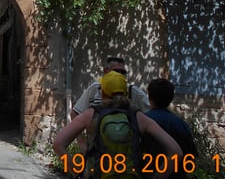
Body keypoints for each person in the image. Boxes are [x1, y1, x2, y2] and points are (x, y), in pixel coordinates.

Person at [54, 71, 182, 179]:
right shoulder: (138, 117)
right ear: (126, 93)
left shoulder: (91, 115)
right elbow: (176, 152)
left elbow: (58, 144)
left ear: (102, 92)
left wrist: (76, 172)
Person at [71, 57, 150, 152]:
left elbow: (152, 113)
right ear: (106, 71)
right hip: (96, 152)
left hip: (127, 153)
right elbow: (75, 113)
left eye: (122, 72)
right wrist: (82, 143)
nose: (119, 74)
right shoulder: (95, 89)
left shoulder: (133, 91)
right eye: (116, 71)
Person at [142, 78, 198, 179]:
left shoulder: (141, 121)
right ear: (171, 98)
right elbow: (190, 161)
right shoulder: (182, 125)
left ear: (149, 96)